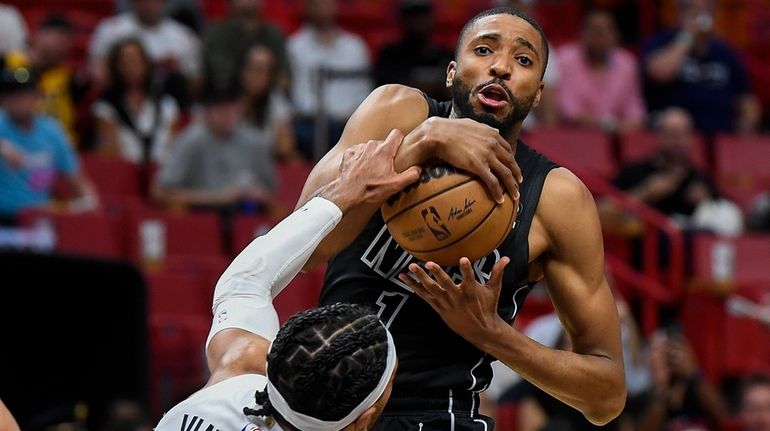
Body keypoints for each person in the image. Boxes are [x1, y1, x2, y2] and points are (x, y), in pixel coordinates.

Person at [297, 6, 626, 430]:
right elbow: (301, 247)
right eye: (484, 49)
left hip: (436, 414)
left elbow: (607, 395)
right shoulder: (395, 113)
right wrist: (420, 143)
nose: (502, 67)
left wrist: (491, 333)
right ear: (452, 72)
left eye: (523, 60)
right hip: (320, 396)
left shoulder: (556, 198)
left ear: (538, 93)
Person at [155, 131, 421, 431]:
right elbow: (241, 282)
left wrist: (344, 191)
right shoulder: (241, 367)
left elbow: (243, 281)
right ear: (362, 423)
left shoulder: (235, 378)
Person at [152, 81, 275, 213]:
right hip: (200, 218)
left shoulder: (254, 141)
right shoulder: (192, 140)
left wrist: (259, 194)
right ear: (207, 110)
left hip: (246, 218)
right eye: (220, 107)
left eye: (232, 106)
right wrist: (217, 198)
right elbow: (160, 191)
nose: (227, 113)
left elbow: (273, 193)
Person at [642, 0, 761, 135]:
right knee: (674, 121)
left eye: (705, 11)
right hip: (675, 133)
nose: (699, 16)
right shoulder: (662, 40)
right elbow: (660, 73)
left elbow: (746, 99)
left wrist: (746, 123)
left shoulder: (725, 52)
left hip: (721, 132)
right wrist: (687, 36)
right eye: (692, 11)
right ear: (680, 12)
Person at [0, 66, 98, 223]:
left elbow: (78, 180)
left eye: (24, 93)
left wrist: (90, 201)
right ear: (3, 99)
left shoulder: (52, 131)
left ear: (38, 96)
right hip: (3, 216)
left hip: (39, 218)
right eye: (12, 94)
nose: (18, 100)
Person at [288, 0, 373, 160]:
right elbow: (296, 98)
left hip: (349, 123)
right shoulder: (295, 46)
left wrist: (352, 117)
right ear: (307, 6)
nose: (322, 7)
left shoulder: (355, 46)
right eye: (317, 3)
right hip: (309, 125)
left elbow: (365, 92)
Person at [555, 9, 645, 133]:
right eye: (594, 31)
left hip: (617, 136)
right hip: (574, 135)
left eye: (605, 32)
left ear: (616, 35)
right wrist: (606, 125)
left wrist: (626, 125)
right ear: (582, 33)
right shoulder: (564, 59)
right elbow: (566, 108)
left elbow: (634, 109)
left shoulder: (627, 63)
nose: (599, 37)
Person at [92, 38, 180, 165]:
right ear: (116, 66)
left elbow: (175, 147)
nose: (132, 65)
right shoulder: (105, 106)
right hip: (124, 172)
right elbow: (108, 152)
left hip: (163, 172)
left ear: (146, 63)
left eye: (136, 60)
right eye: (125, 61)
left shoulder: (166, 103)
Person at [4, 14, 84, 145]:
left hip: (55, 151)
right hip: (9, 145)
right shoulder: (6, 64)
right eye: (60, 37)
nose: (64, 45)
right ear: (39, 34)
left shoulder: (71, 79)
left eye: (68, 41)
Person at [88, 0, 201, 89]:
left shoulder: (185, 36)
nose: (150, 5)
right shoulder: (111, 29)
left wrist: (176, 70)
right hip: (120, 97)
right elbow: (97, 74)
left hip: (170, 100)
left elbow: (196, 82)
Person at [636, 326, 729, 431]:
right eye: (657, 350)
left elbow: (724, 418)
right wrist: (661, 388)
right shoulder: (641, 393)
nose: (666, 357)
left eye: (669, 350)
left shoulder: (697, 388)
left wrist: (693, 373)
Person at [374, 0, 453, 100]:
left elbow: (456, 92)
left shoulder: (446, 56)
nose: (419, 22)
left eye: (423, 16)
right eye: (414, 16)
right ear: (403, 20)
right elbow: (385, 91)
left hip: (442, 112)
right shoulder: (390, 55)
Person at [203, 0, 290, 89]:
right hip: (225, 97)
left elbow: (284, 79)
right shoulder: (217, 32)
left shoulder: (273, 33)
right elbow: (221, 73)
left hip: (268, 97)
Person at [240, 44, 299, 161]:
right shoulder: (226, 101)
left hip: (264, 164)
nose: (262, 77)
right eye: (258, 69)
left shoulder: (275, 101)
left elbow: (285, 147)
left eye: (268, 71)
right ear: (243, 71)